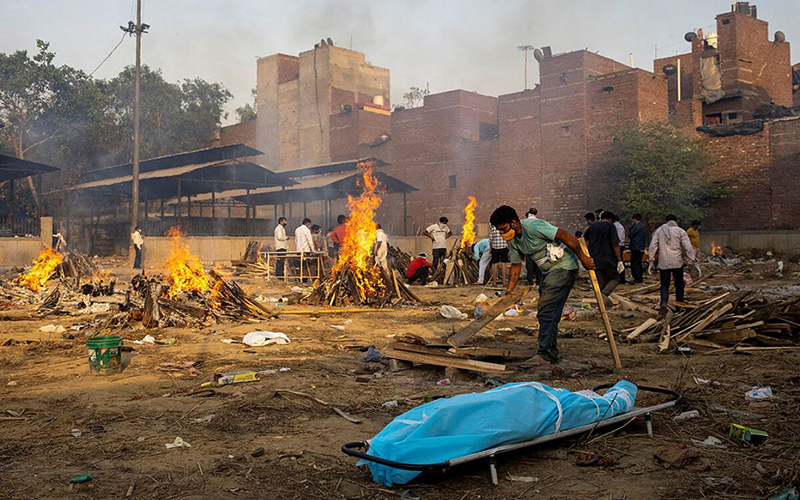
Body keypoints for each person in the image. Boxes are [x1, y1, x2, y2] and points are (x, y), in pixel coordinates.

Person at [490, 205, 595, 366]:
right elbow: (516, 266)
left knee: (546, 308)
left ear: (513, 222)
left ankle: (546, 354)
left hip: (563, 267)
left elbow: (564, 235)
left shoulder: (533, 226)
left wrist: (583, 259)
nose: (502, 233)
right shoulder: (514, 242)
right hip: (548, 273)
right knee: (549, 312)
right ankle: (549, 351)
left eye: (503, 229)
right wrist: (509, 291)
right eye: (499, 231)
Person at [648, 214, 699, 311]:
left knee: (664, 285)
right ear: (676, 221)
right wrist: (692, 260)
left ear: (666, 221)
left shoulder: (659, 231)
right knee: (679, 284)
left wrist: (651, 260)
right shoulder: (680, 231)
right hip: (677, 262)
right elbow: (688, 247)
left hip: (664, 263)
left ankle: (664, 303)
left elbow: (653, 246)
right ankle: (679, 305)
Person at [583, 211, 623, 299]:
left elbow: (584, 241)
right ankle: (603, 297)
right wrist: (620, 260)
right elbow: (615, 244)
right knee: (615, 278)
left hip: (594, 259)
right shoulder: (610, 226)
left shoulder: (592, 226)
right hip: (607, 258)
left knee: (601, 283)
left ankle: (601, 303)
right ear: (610, 219)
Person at [525, 208, 543, 286]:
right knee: (538, 264)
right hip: (538, 247)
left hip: (528, 247)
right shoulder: (539, 222)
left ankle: (530, 281)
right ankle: (539, 281)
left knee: (529, 265)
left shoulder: (524, 223)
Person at [628, 214, 647, 284]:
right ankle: (639, 277)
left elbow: (630, 235)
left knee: (634, 263)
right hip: (641, 247)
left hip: (635, 247)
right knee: (638, 263)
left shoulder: (636, 227)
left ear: (634, 219)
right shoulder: (643, 226)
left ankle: (636, 277)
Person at [613, 213, 627, 284]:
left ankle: (621, 278)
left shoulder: (617, 227)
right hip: (618, 246)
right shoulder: (617, 226)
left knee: (619, 262)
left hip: (618, 247)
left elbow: (619, 239)